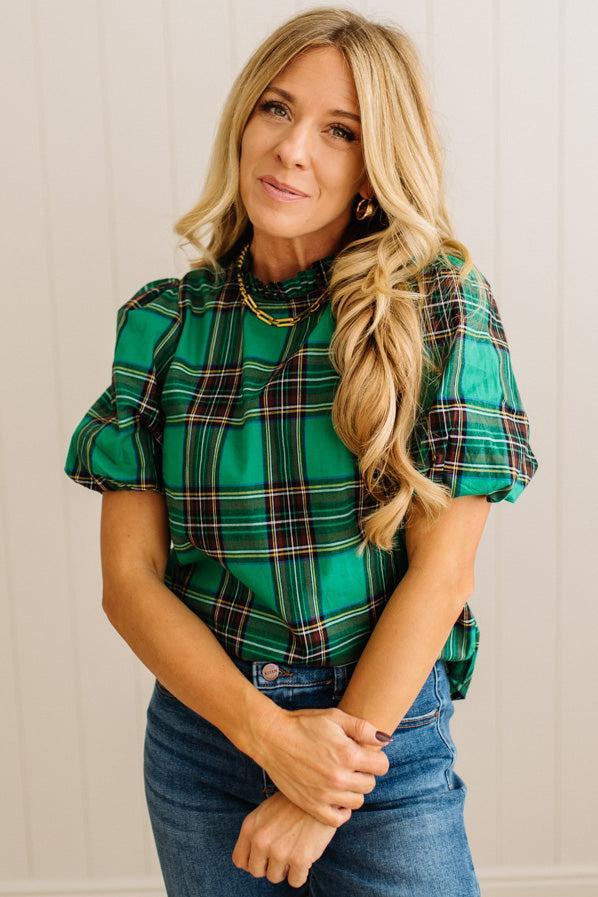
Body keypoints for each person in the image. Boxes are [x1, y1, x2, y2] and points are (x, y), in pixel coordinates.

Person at [63, 7, 539, 896]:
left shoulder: (439, 304)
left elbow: (444, 575)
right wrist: (268, 735)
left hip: (379, 749)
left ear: (371, 168)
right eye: (277, 110)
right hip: (206, 742)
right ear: (244, 120)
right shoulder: (164, 323)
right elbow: (128, 580)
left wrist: (319, 792)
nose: (292, 150)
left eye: (340, 131)